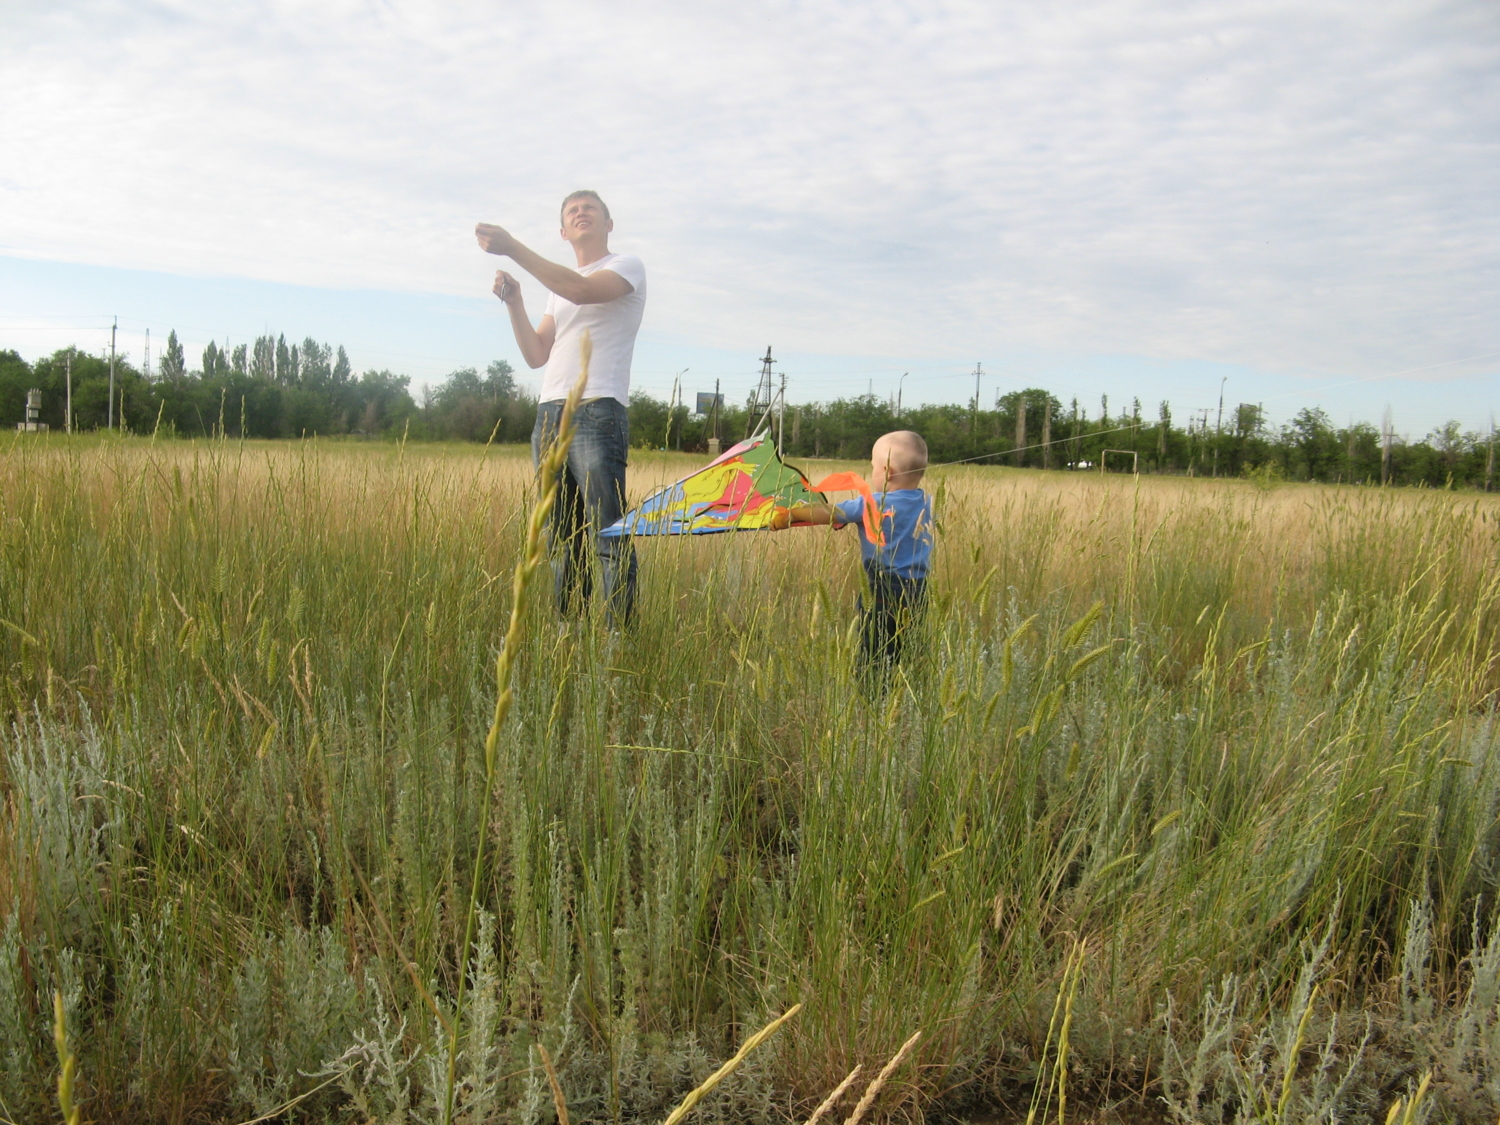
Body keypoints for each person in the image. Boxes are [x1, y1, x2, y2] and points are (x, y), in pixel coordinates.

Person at [476, 191, 645, 624]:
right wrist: (514, 301)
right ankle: (568, 635)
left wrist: (512, 248)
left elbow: (581, 288)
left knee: (608, 534)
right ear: (563, 232)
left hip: (597, 410)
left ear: (609, 223)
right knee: (562, 538)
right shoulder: (557, 293)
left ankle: (615, 645)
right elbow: (536, 353)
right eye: (572, 211)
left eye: (590, 208)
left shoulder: (625, 266)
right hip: (550, 414)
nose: (581, 212)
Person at [776, 430, 934, 678]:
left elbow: (830, 513)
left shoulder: (872, 503)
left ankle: (872, 695)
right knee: (907, 650)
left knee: (874, 651)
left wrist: (791, 515)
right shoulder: (926, 501)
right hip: (919, 591)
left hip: (883, 590)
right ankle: (903, 693)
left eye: (873, 467)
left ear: (887, 472)